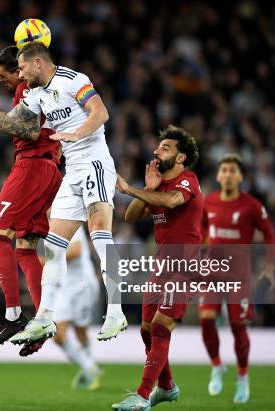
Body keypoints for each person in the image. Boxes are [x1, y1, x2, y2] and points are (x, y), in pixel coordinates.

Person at [0, 42, 127, 345]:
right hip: (70, 170)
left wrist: (76, 133)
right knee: (53, 248)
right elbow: (15, 122)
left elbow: (101, 112)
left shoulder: (74, 80)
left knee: (100, 234)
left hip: (94, 162)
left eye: (21, 68)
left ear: (37, 63)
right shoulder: (35, 94)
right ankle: (44, 318)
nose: (19, 74)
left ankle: (115, 311)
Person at [0, 45, 62, 352]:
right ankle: (40, 323)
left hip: (32, 167)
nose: (3, 81)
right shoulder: (53, 87)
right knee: (25, 249)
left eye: (4, 75)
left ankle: (13, 315)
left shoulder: (27, 87)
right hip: (51, 169)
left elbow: (28, 129)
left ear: (20, 68)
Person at [112, 125, 201, 410]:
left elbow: (173, 201)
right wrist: (147, 190)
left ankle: (141, 396)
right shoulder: (158, 188)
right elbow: (130, 216)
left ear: (181, 157)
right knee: (147, 330)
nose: (156, 151)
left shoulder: (188, 181)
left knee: (162, 325)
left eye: (165, 148)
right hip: (160, 266)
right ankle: (167, 387)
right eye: (157, 147)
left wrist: (129, 188)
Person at [199, 153, 275, 404]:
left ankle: (243, 377)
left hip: (239, 278)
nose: (229, 174)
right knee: (206, 319)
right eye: (225, 170)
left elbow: (269, 233)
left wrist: (270, 265)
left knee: (237, 327)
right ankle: (217, 365)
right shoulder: (208, 202)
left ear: (241, 176)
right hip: (211, 274)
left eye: (233, 170)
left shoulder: (252, 206)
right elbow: (199, 230)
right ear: (219, 175)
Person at [53, 226, 103, 390]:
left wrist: (49, 260)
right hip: (62, 287)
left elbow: (76, 250)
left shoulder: (68, 219)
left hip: (83, 284)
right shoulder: (40, 227)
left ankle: (88, 370)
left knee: (80, 332)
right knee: (58, 336)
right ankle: (91, 368)